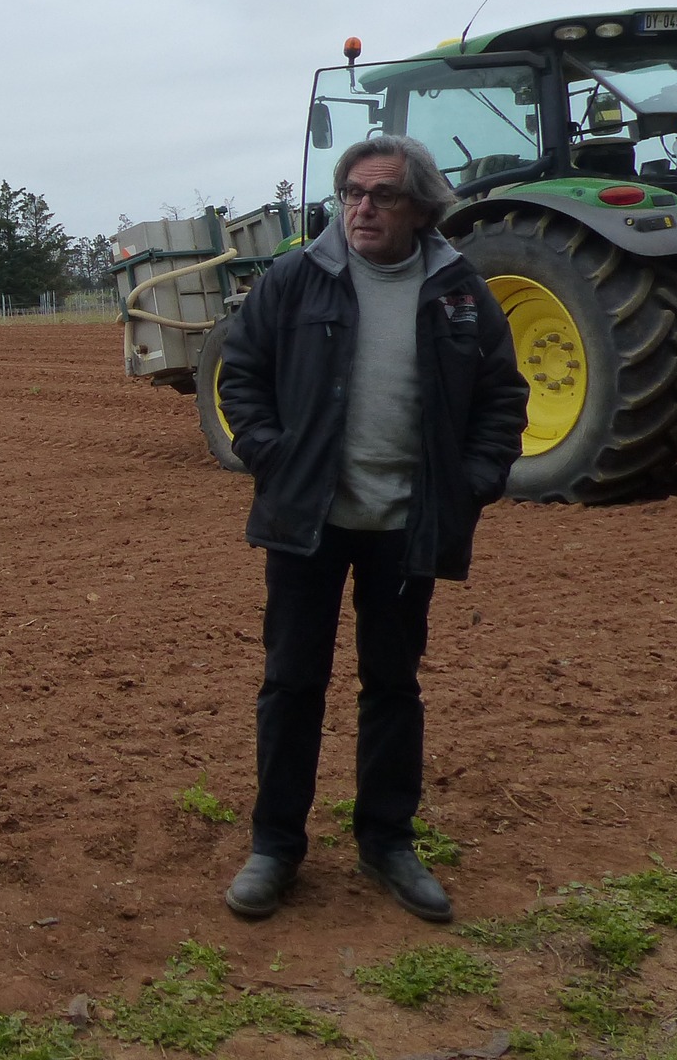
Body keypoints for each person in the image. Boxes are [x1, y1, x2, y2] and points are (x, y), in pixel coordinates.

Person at [216, 134, 528, 923]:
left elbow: (502, 394)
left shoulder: (458, 290)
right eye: (353, 191)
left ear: (422, 206)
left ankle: (387, 841)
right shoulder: (297, 277)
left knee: (393, 686)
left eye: (382, 194)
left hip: (406, 526)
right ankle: (275, 847)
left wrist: (474, 482)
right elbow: (240, 371)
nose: (362, 207)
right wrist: (270, 455)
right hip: (307, 521)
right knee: (292, 684)